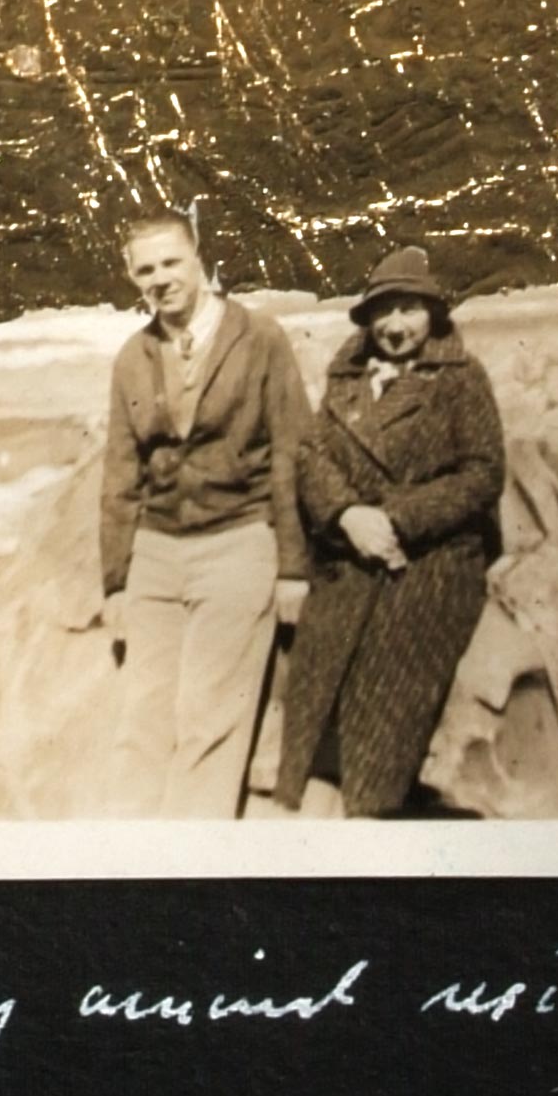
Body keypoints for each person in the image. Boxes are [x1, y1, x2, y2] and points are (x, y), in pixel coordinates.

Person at [273, 246, 506, 818]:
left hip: (429, 563)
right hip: (352, 550)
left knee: (387, 693)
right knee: (317, 684)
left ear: (433, 313)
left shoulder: (460, 378)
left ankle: (371, 812)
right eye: (384, 311)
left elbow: (483, 474)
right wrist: (347, 515)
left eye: (410, 310)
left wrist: (395, 519)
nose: (396, 326)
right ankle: (313, 806)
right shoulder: (348, 376)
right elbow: (312, 455)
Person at [97, 212, 311, 817]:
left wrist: (294, 567)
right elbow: (121, 474)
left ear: (198, 260)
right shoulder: (133, 357)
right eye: (146, 270)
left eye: (171, 263)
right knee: (141, 721)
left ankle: (191, 858)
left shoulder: (260, 338)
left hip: (238, 541)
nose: (161, 279)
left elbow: (293, 452)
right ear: (132, 278)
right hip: (157, 551)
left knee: (209, 720)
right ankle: (129, 857)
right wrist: (116, 581)